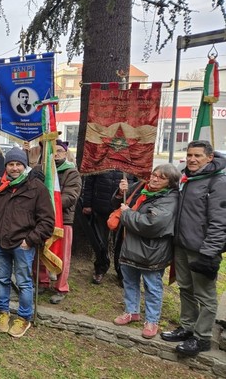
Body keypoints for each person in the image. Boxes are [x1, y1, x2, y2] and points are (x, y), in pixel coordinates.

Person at [161, 140, 226, 357]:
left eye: (198, 155)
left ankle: (202, 337)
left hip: (202, 250)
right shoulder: (188, 178)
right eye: (189, 155)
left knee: (205, 295)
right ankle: (188, 327)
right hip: (182, 244)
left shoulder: (218, 182)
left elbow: (220, 222)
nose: (192, 159)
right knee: (185, 289)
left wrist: (209, 253)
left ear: (210, 157)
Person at [0, 147, 54, 338]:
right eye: (11, 164)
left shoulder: (37, 187)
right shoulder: (0, 187)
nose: (14, 168)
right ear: (6, 167)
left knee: (23, 282)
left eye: (18, 164)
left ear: (25, 166)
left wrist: (30, 240)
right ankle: (3, 311)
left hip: (22, 245)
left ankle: (24, 317)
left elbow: (47, 221)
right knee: (2, 279)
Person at [110, 164, 179, 339]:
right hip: (130, 246)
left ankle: (151, 320)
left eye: (161, 177)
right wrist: (120, 192)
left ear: (171, 183)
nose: (154, 179)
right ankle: (131, 311)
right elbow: (118, 204)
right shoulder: (141, 187)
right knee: (130, 282)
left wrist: (126, 214)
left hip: (152, 251)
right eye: (154, 175)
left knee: (152, 287)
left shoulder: (170, 199)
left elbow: (151, 224)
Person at [36, 140, 82, 304]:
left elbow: (71, 196)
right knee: (40, 251)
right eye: (52, 151)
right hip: (41, 219)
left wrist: (45, 205)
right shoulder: (41, 170)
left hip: (63, 220)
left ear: (65, 153)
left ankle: (61, 287)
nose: (55, 154)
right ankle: (42, 282)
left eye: (59, 151)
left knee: (62, 255)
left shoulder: (71, 173)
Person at [81, 170, 137, 284]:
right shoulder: (102, 158)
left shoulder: (131, 163)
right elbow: (89, 181)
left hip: (123, 209)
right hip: (101, 206)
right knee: (101, 242)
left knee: (122, 243)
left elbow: (138, 186)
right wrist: (87, 203)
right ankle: (100, 268)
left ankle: (122, 272)